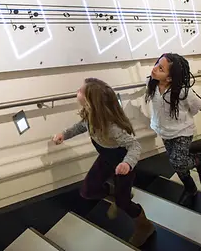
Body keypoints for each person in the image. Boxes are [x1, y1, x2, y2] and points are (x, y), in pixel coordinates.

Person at [52, 78, 155, 247]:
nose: (77, 91)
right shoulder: (90, 114)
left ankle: (145, 226)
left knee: (123, 203)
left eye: (80, 91)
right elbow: (81, 126)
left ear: (91, 101)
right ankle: (118, 194)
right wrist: (64, 134)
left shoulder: (111, 126)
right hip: (106, 159)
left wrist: (127, 164)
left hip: (122, 163)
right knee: (87, 191)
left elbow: (134, 145)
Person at [145, 53, 201, 205]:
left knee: (178, 161)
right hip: (164, 131)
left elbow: (199, 105)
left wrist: (185, 117)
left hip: (182, 132)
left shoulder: (183, 91)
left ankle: (199, 160)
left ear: (169, 78)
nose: (154, 69)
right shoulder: (151, 83)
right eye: (157, 64)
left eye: (160, 68)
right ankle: (190, 188)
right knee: (177, 164)